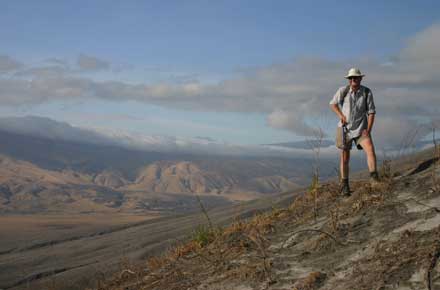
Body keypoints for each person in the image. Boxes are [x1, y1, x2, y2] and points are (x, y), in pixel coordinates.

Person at [329, 68, 379, 196]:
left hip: (361, 128)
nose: (353, 80)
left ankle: (374, 179)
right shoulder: (343, 91)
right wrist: (341, 115)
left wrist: (368, 129)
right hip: (345, 129)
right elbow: (333, 104)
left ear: (360, 78)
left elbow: (371, 112)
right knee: (345, 157)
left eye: (355, 78)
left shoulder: (366, 92)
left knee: (370, 149)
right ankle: (344, 185)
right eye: (351, 78)